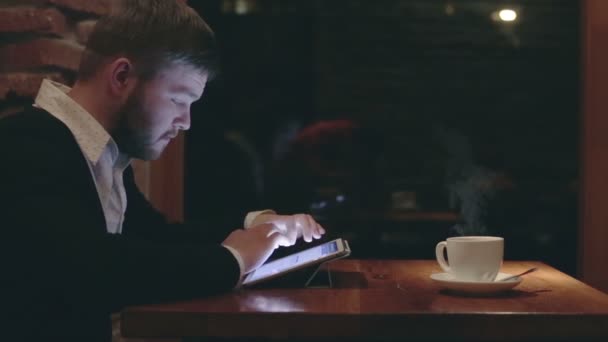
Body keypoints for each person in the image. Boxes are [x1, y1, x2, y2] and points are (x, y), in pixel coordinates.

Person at [0, 1, 324, 340]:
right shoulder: (26, 145)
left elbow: (157, 238)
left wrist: (257, 226)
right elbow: (92, 269)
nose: (185, 122)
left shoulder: (101, 153)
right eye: (178, 100)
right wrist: (234, 260)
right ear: (122, 76)